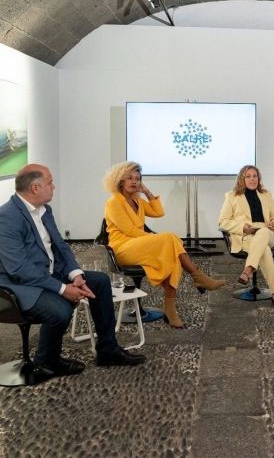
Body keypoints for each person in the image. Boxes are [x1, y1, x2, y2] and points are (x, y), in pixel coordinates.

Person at [0, 164, 146, 379]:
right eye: (50, 182)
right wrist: (62, 288)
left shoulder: (45, 210)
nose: (54, 187)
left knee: (100, 281)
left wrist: (75, 274)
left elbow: (60, 246)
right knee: (60, 311)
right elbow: (19, 269)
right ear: (35, 188)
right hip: (18, 285)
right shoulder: (7, 217)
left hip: (49, 273)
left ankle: (108, 350)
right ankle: (46, 360)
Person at [103, 162, 224, 328]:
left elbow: (158, 212)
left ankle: (170, 309)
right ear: (120, 181)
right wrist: (156, 239)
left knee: (172, 253)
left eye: (137, 179)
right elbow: (129, 230)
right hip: (122, 249)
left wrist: (147, 192)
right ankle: (197, 276)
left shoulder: (137, 200)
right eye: (129, 178)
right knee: (169, 239)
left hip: (139, 245)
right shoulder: (113, 202)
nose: (134, 182)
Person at [218, 165, 274, 311]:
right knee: (265, 252)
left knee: (263, 232)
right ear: (242, 179)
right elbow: (223, 222)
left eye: (255, 176)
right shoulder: (231, 197)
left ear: (259, 178)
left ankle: (248, 269)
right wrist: (242, 227)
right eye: (248, 176)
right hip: (247, 235)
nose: (252, 179)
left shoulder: (266, 195)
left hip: (267, 233)